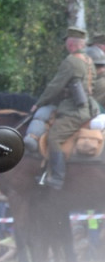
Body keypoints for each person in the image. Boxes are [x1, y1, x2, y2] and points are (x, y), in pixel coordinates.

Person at [29, 27, 96, 190]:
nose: (66, 45)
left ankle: (57, 178)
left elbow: (55, 86)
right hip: (87, 108)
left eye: (67, 41)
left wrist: (39, 103)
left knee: (54, 137)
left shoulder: (71, 61)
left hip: (73, 111)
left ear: (72, 44)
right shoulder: (88, 61)